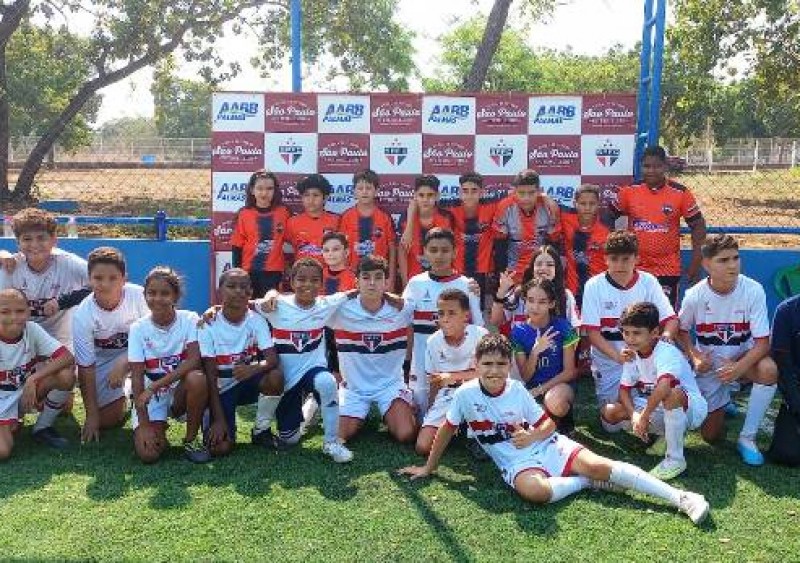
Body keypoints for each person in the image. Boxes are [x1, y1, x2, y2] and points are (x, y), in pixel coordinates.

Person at [398, 333, 710, 526]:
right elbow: (448, 430)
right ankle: (585, 482)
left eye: (500, 365)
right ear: (476, 364)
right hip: (518, 462)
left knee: (604, 466)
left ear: (509, 366)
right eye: (487, 364)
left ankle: (682, 498)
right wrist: (429, 467)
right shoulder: (465, 394)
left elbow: (547, 423)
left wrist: (533, 435)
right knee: (534, 492)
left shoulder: (517, 390)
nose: (494, 371)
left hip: (547, 445)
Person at [677, 234, 778, 465]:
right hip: (711, 367)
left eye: (736, 258)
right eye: (723, 260)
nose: (732, 265)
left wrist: (738, 368)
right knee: (710, 436)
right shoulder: (695, 295)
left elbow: (763, 342)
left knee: (768, 370)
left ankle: (747, 437)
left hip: (743, 361)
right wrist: (694, 356)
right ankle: (725, 400)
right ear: (706, 264)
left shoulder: (753, 290)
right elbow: (681, 330)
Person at [257, 258, 357, 463]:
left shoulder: (326, 304)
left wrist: (393, 298)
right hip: (287, 378)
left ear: (321, 284)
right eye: (301, 279)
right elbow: (241, 306)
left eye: (314, 280)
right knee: (290, 438)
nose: (307, 285)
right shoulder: (276, 305)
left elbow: (356, 293)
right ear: (291, 282)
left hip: (314, 368)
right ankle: (311, 408)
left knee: (327, 382)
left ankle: (331, 443)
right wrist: (213, 311)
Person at [601, 302, 708, 480]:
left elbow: (665, 386)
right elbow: (624, 389)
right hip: (659, 404)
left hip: (691, 409)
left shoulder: (666, 352)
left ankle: (675, 459)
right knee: (610, 412)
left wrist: (644, 416)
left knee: (670, 393)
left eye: (636, 333)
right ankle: (667, 436)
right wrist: (634, 415)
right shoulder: (631, 354)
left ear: (654, 333)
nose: (630, 338)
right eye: (626, 333)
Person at [581, 231, 677, 422]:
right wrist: (618, 357)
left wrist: (665, 339)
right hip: (610, 362)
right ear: (605, 259)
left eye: (626, 259)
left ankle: (651, 414)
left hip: (647, 360)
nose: (620, 265)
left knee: (667, 399)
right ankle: (643, 414)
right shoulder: (594, 286)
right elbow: (592, 333)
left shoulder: (648, 282)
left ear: (637, 259)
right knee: (611, 421)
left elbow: (671, 320)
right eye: (614, 259)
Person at [329, 255, 417, 444]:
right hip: (354, 388)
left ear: (386, 282)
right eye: (366, 277)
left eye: (378, 277)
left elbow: (437, 305)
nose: (372, 283)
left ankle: (390, 411)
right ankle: (360, 413)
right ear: (357, 282)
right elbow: (307, 304)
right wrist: (271, 296)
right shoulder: (340, 309)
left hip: (390, 386)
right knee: (337, 437)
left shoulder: (403, 309)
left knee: (406, 434)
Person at [197, 268, 283, 456]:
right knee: (221, 448)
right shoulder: (208, 323)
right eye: (231, 286)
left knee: (275, 377)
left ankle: (261, 430)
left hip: (245, 384)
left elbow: (272, 359)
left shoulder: (256, 320)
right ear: (220, 290)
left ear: (251, 292)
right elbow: (210, 376)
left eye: (244, 287)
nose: (238, 291)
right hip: (219, 389)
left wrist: (253, 369)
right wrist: (219, 420)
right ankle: (210, 415)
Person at [128, 267, 210, 464]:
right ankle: (159, 425)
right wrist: (145, 424)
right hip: (151, 395)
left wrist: (155, 386)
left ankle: (191, 440)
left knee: (197, 378)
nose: (157, 298)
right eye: (151, 293)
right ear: (144, 295)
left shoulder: (189, 319)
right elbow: (137, 377)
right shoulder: (138, 328)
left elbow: (193, 360)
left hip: (180, 390)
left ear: (176, 296)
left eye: (165, 293)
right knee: (149, 453)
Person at [611, 145, 707, 307]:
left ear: (665, 166)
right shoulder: (629, 192)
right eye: (647, 166)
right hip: (635, 266)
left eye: (657, 166)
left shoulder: (680, 193)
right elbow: (608, 217)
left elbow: (698, 225)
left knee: (665, 318)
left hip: (667, 268)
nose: (651, 171)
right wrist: (615, 252)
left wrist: (696, 262)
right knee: (634, 317)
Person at [402, 228, 484, 417]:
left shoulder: (467, 285)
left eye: (445, 250)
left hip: (458, 362)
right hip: (422, 362)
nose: (439, 255)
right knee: (419, 419)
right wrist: (407, 363)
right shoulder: (415, 284)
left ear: (455, 252)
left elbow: (478, 329)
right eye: (433, 250)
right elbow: (405, 324)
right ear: (424, 252)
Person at [72, 247, 149, 443]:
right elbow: (86, 366)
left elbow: (156, 338)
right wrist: (91, 415)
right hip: (103, 362)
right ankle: (128, 391)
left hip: (142, 357)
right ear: (89, 279)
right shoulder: (83, 314)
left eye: (113, 278)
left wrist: (126, 361)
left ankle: (135, 386)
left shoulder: (139, 296)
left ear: (124, 279)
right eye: (98, 278)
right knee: (107, 420)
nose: (105, 284)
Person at [0, 288, 75, 460]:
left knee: (66, 376)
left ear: (28, 312)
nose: (14, 317)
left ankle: (42, 428)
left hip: (25, 394)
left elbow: (67, 357)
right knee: (3, 452)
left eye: (20, 311)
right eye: (5, 312)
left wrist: (33, 379)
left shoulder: (31, 329)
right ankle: (10, 423)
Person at [0, 208, 91, 348]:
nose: (34, 245)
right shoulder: (10, 267)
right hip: (20, 338)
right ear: (18, 242)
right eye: (27, 239)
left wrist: (62, 302)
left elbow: (104, 283)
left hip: (59, 339)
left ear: (54, 239)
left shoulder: (68, 263)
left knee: (64, 371)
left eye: (41, 238)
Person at [416, 289, 488, 456]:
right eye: (441, 313)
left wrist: (453, 376)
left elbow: (490, 373)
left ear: (466, 316)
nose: (445, 319)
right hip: (448, 394)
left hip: (478, 393)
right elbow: (434, 381)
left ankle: (474, 434)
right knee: (423, 447)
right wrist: (430, 409)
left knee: (490, 443)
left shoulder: (480, 335)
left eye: (452, 313)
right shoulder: (433, 341)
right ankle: (457, 426)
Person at [510, 278, 579, 434]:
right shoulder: (518, 332)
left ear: (551, 304)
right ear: (525, 301)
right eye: (530, 300)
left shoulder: (563, 327)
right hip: (532, 389)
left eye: (542, 302)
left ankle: (566, 423)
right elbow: (526, 377)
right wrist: (535, 351)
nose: (535, 307)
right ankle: (550, 418)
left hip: (560, 386)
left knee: (555, 402)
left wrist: (541, 389)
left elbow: (570, 372)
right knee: (521, 424)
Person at [490, 245, 580, 335]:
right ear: (532, 269)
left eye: (550, 265)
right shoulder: (518, 293)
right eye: (539, 264)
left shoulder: (566, 296)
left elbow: (575, 332)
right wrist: (501, 292)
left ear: (557, 269)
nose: (543, 268)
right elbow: (496, 322)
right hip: (519, 348)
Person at [230, 169, 292, 297]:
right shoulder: (244, 213)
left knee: (270, 309)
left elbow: (295, 238)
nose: (264, 193)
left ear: (275, 190)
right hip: (248, 271)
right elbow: (237, 246)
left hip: (273, 272)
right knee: (249, 308)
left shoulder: (284, 212)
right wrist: (238, 273)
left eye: (269, 188)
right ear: (252, 190)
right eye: (260, 188)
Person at [493, 170, 561, 283]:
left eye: (531, 192)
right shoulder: (504, 207)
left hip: (540, 271)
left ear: (539, 191)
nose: (526, 198)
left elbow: (554, 245)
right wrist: (501, 276)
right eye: (521, 193)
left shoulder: (550, 208)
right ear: (514, 192)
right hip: (513, 271)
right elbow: (500, 247)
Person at [339, 169, 397, 289]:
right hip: (352, 276)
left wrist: (391, 278)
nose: (364, 192)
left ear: (376, 191)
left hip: (379, 276)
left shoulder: (385, 217)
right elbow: (341, 250)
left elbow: (392, 249)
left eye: (369, 188)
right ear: (354, 191)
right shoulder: (346, 217)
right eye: (360, 188)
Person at [450, 172, 499, 302]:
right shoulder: (450, 207)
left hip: (480, 270)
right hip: (457, 268)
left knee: (478, 307)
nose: (470, 195)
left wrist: (545, 198)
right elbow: (416, 203)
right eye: (465, 191)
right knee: (458, 305)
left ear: (481, 192)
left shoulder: (491, 206)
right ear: (460, 192)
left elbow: (515, 198)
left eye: (474, 191)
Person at [397, 175, 455, 285]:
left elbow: (452, 249)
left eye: (430, 195)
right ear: (415, 196)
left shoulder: (447, 217)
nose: (425, 199)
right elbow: (402, 252)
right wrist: (405, 282)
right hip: (414, 279)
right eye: (421, 195)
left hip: (441, 278)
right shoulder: (406, 218)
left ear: (437, 196)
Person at [559, 184, 609, 307]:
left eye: (592, 204)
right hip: (573, 292)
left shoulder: (606, 230)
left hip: (599, 290)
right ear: (575, 203)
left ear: (598, 205)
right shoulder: (566, 219)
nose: (587, 208)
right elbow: (547, 202)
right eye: (583, 203)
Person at [768, 293, 800, 465]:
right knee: (788, 454)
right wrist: (796, 403)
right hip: (796, 386)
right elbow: (782, 364)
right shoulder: (787, 310)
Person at [285, 173, 340, 263]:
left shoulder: (337, 221)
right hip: (302, 274)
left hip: (330, 273)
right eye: (306, 195)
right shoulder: (291, 222)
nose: (311, 200)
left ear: (325, 198)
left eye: (316, 195)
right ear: (301, 197)